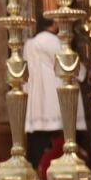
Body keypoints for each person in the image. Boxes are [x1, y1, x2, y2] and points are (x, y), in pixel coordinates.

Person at [22, 16, 85, 167]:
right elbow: (70, 65)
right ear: (55, 23)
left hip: (35, 101)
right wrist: (86, 71)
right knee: (59, 138)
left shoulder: (30, 43)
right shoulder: (53, 42)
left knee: (38, 144)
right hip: (53, 99)